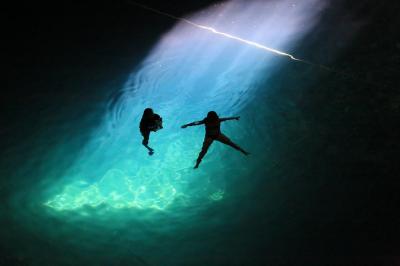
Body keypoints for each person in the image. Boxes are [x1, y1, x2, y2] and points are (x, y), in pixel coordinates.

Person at [181, 111, 249, 168]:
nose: (212, 119)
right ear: (209, 118)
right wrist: (187, 125)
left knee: (231, 143)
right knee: (203, 151)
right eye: (211, 118)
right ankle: (197, 164)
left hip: (218, 135)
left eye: (213, 118)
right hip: (209, 137)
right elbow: (196, 123)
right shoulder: (206, 121)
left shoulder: (218, 120)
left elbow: (227, 118)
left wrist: (235, 118)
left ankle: (244, 152)